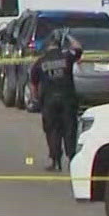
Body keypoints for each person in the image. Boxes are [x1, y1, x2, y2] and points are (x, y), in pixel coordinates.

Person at [33, 31, 84, 170]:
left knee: (52, 130)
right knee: (69, 129)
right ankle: (72, 160)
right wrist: (68, 35)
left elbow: (34, 83)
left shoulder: (40, 61)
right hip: (67, 98)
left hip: (49, 101)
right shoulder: (66, 56)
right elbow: (78, 48)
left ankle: (55, 161)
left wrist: (37, 99)